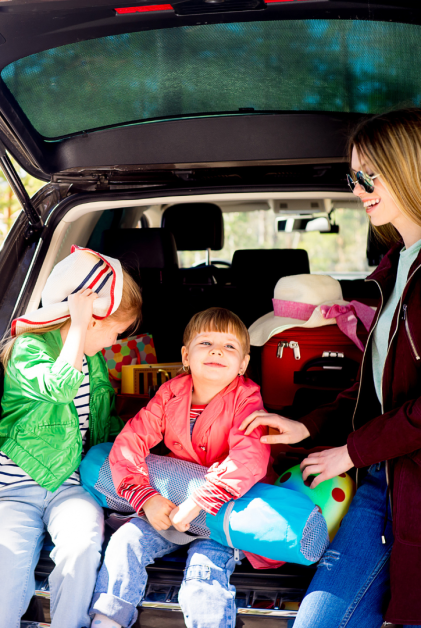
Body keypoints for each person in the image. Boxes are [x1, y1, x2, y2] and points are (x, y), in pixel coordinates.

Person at [240, 108, 421, 628]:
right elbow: (378, 389)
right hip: (379, 483)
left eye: (370, 174)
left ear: (409, 168)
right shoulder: (392, 269)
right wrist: (311, 427)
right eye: (354, 176)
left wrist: (351, 451)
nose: (359, 188)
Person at [0, 246, 142, 628]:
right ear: (93, 318)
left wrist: (147, 436)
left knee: (82, 549)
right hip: (12, 490)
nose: (116, 342)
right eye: (115, 330)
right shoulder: (27, 350)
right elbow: (59, 388)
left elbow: (100, 424)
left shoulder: (95, 360)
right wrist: (78, 327)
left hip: (71, 486)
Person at [90, 307, 271, 628]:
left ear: (243, 364)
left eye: (230, 346)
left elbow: (249, 458)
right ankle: (108, 621)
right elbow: (131, 441)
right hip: (170, 503)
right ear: (186, 356)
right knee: (124, 543)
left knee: (204, 570)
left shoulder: (247, 399)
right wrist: (144, 496)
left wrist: (201, 501)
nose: (217, 350)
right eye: (206, 343)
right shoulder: (170, 392)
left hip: (220, 512)